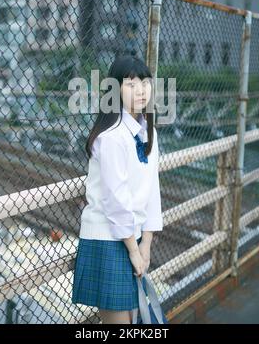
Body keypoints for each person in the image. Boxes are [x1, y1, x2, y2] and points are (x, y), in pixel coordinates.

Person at [71, 54, 163, 324]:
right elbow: (116, 200)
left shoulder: (149, 133)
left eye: (144, 82)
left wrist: (146, 244)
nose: (140, 90)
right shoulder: (110, 137)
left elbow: (152, 190)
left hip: (132, 239)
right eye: (130, 84)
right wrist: (134, 251)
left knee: (134, 320)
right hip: (107, 240)